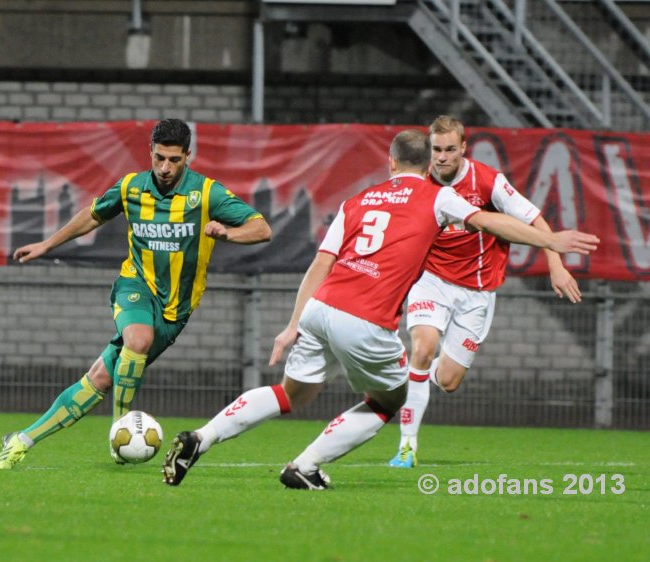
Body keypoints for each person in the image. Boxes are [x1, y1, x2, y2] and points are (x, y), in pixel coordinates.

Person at [161, 129, 598, 489]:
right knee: (393, 398)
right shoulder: (437, 197)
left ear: (389, 163)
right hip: (365, 319)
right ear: (427, 164)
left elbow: (320, 263)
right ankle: (304, 467)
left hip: (320, 307)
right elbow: (488, 221)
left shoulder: (358, 201)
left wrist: (293, 324)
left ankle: (202, 436)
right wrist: (549, 241)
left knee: (289, 394)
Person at [0, 118, 272, 469]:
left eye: (174, 160)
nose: (166, 167)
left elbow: (261, 229)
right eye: (159, 158)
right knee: (137, 340)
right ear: (150, 153)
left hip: (175, 310)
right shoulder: (131, 187)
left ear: (189, 156)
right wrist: (48, 244)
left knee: (99, 379)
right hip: (135, 285)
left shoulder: (207, 193)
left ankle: (21, 440)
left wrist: (229, 234)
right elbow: (94, 215)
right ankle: (120, 430)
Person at [387, 115, 584, 468]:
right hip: (431, 280)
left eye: (450, 149)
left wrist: (555, 263)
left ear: (463, 148)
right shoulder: (418, 181)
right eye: (436, 150)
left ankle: (416, 377)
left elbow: (534, 220)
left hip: (477, 292)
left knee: (447, 381)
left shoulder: (488, 181)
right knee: (422, 347)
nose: (442, 157)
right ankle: (407, 447)